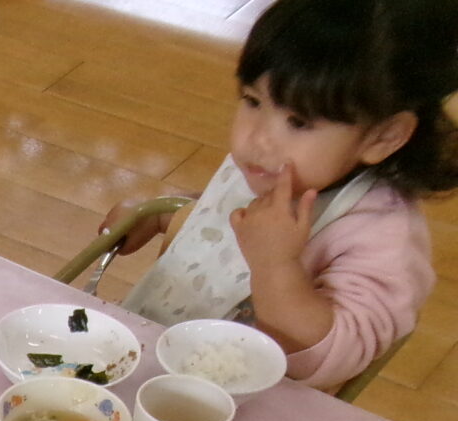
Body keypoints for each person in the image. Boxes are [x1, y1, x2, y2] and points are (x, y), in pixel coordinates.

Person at [101, 0, 458, 392]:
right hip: (145, 361)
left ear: (383, 136)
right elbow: (222, 225)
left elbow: (332, 358)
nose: (258, 138)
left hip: (248, 414)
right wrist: (159, 215)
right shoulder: (272, 165)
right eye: (253, 101)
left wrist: (275, 267)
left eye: (298, 122)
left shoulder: (383, 237)